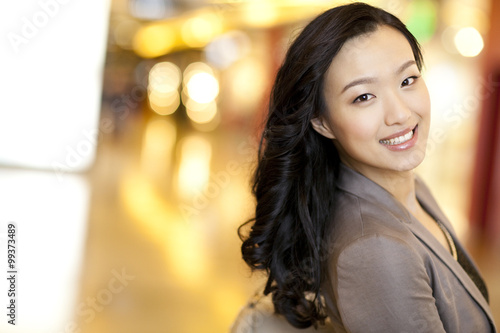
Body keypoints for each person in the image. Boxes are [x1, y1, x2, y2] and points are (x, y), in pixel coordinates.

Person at [237, 2, 497, 332]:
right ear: (322, 122)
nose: (400, 114)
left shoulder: (410, 187)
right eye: (363, 97)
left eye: (407, 80)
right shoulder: (374, 250)